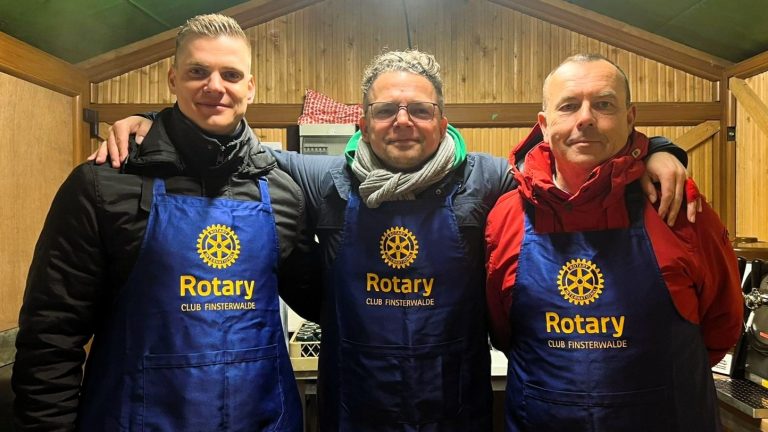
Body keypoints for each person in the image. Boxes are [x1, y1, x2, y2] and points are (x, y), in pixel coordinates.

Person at [94, 50, 696, 431]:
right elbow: (224, 142)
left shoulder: (487, 177)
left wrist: (658, 150)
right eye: (386, 110)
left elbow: (569, 158)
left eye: (419, 109)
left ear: (443, 117)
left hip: (454, 411)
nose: (402, 121)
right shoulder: (318, 177)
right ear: (362, 118)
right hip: (352, 409)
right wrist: (151, 121)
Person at [12, 14, 310, 431]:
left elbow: (326, 297)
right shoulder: (103, 183)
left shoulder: (283, 192)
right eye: (197, 72)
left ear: (250, 86)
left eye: (230, 73)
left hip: (262, 420)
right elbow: (51, 336)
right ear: (173, 79)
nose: (215, 86)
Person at [485, 54, 742, 432]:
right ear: (543, 124)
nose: (585, 118)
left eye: (603, 104)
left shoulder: (677, 205)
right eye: (569, 106)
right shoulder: (506, 215)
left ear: (630, 117)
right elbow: (504, 330)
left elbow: (723, 324)